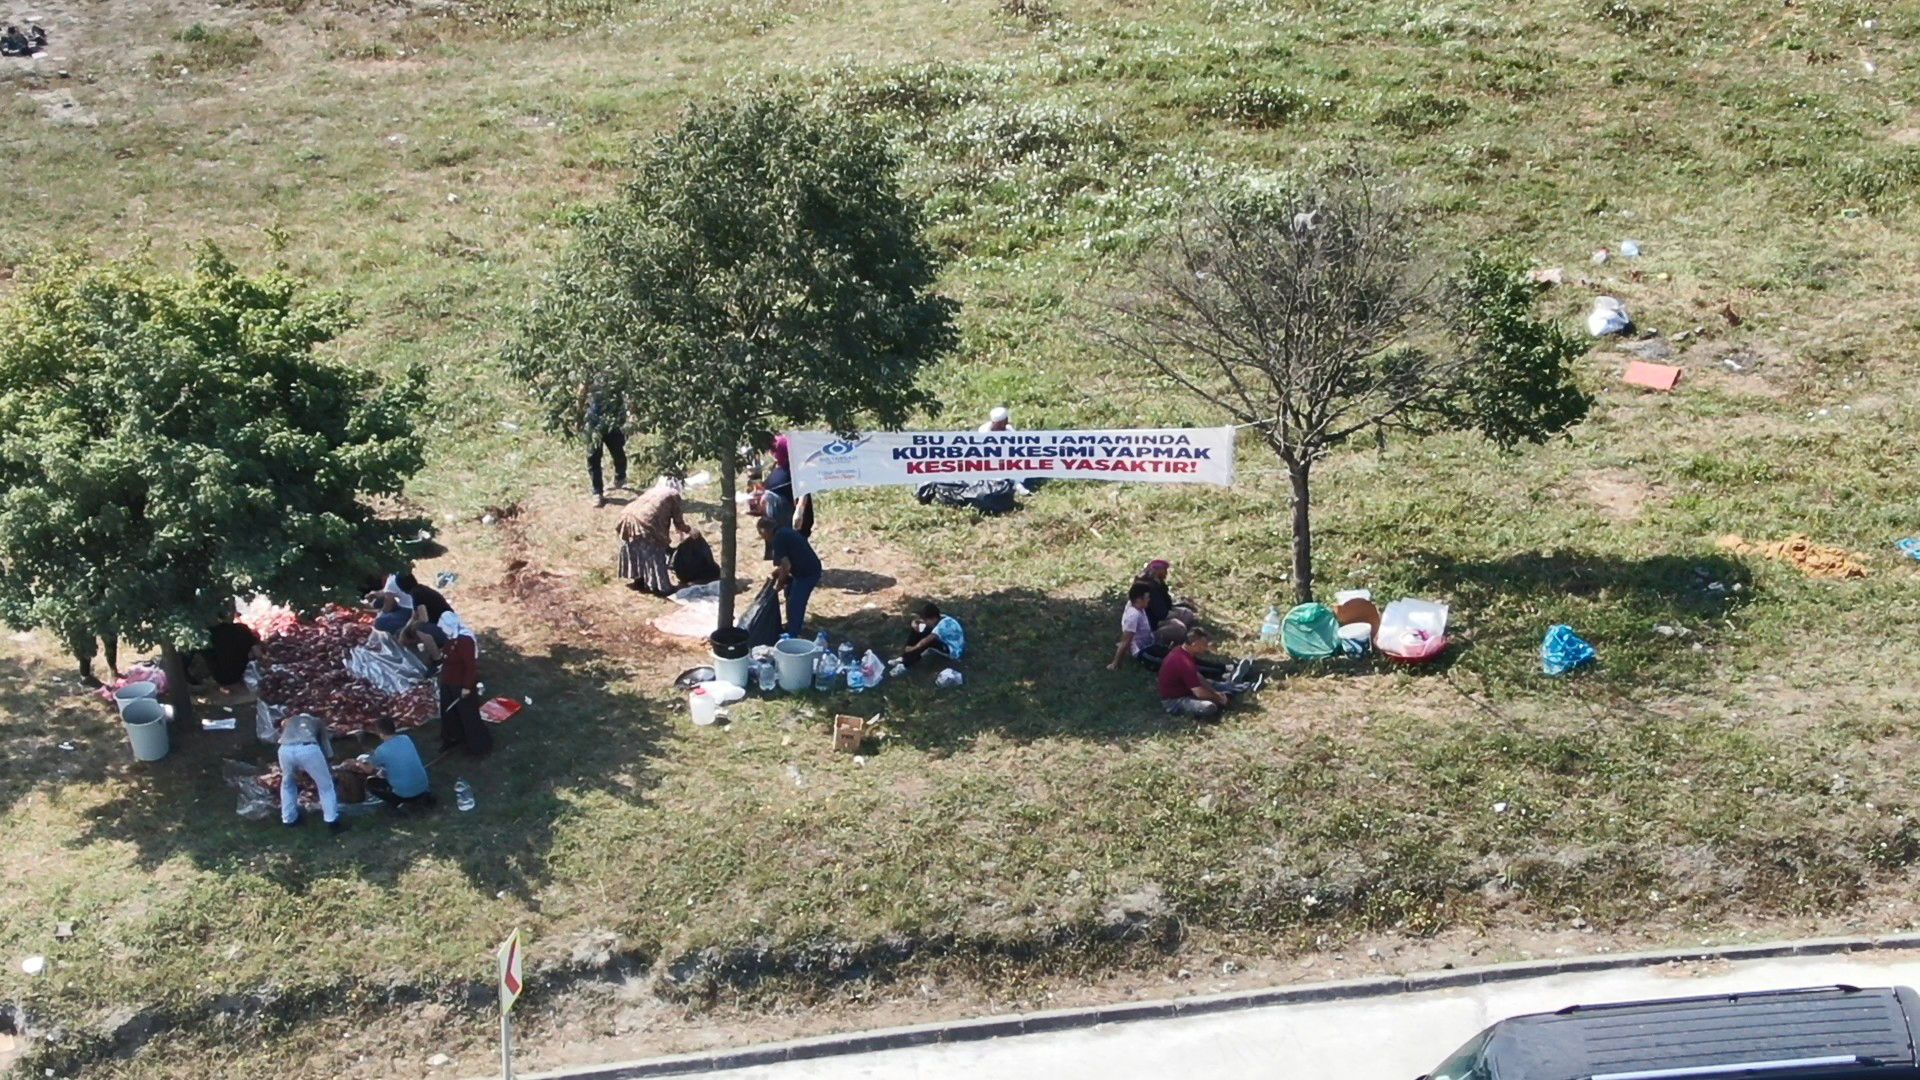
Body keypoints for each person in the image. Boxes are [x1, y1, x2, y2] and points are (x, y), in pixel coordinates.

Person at [617, 479, 692, 595]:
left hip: (626, 517)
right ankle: (662, 588)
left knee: (636, 549)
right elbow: (679, 523)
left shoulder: (654, 491)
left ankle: (639, 579)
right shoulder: (673, 494)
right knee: (655, 553)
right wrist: (691, 531)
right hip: (645, 522)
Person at [436, 611, 492, 757]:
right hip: (448, 679)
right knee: (448, 711)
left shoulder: (465, 640)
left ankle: (478, 746)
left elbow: (470, 666)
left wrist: (467, 686)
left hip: (461, 683)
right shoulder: (451, 637)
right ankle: (453, 738)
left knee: (468, 714)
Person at [278, 712, 346, 833]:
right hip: (307, 748)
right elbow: (325, 745)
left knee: (287, 784)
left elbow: (282, 727)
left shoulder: (291, 720)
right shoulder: (317, 721)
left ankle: (289, 819)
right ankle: (332, 821)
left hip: (284, 749)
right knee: (325, 786)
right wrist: (328, 761)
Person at [758, 516, 822, 638]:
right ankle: (790, 625)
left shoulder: (778, 539)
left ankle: (793, 634)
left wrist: (779, 584)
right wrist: (776, 574)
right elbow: (786, 562)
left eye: (761, 535)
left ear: (765, 531)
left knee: (796, 602)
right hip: (804, 569)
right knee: (789, 593)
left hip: (807, 574)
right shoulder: (785, 532)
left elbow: (786, 566)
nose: (763, 538)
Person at [1157, 626, 1238, 721]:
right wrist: (1219, 698)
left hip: (1187, 689)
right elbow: (1199, 692)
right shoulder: (1184, 662)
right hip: (1174, 701)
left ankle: (1236, 687)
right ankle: (1224, 697)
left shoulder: (1181, 651)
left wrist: (1213, 691)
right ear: (1194, 644)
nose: (1206, 648)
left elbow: (1198, 676)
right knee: (1209, 707)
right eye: (1204, 645)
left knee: (1212, 684)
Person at [366, 716, 435, 810]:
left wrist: (367, 760)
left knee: (370, 784)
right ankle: (422, 797)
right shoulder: (406, 738)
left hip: (404, 794)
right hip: (423, 786)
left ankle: (400, 802)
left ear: (381, 734)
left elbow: (368, 769)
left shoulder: (381, 750)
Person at [581, 383, 628, 508]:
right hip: (593, 422)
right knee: (593, 457)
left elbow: (628, 390)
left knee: (618, 452)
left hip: (613, 420)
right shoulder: (589, 368)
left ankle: (620, 476)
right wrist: (579, 414)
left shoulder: (616, 369)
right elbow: (582, 389)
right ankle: (597, 492)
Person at [205, 608, 265, 691]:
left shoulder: (209, 634)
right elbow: (258, 653)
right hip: (241, 674)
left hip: (222, 677)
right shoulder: (242, 629)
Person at [1133, 559, 1199, 632]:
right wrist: (1174, 615)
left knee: (1186, 613)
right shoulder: (1148, 587)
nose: (1166, 573)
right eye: (1164, 570)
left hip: (1163, 614)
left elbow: (1168, 603)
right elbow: (1161, 613)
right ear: (1157, 570)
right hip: (1153, 623)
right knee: (1179, 627)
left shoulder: (1158, 583)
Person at [898, 602, 965, 668]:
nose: (925, 622)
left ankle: (906, 664)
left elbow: (926, 640)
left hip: (953, 651)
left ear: (934, 618)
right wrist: (915, 624)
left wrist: (913, 648)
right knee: (919, 629)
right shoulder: (942, 617)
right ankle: (904, 657)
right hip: (946, 642)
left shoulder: (941, 627)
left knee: (929, 643)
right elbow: (919, 621)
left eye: (926, 620)